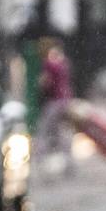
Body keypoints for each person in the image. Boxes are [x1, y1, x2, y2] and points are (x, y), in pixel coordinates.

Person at [37, 38, 74, 172]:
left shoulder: (49, 63)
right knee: (62, 132)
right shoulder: (64, 61)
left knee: (44, 130)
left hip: (54, 101)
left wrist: (41, 86)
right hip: (65, 100)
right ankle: (69, 162)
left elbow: (45, 82)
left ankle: (39, 160)